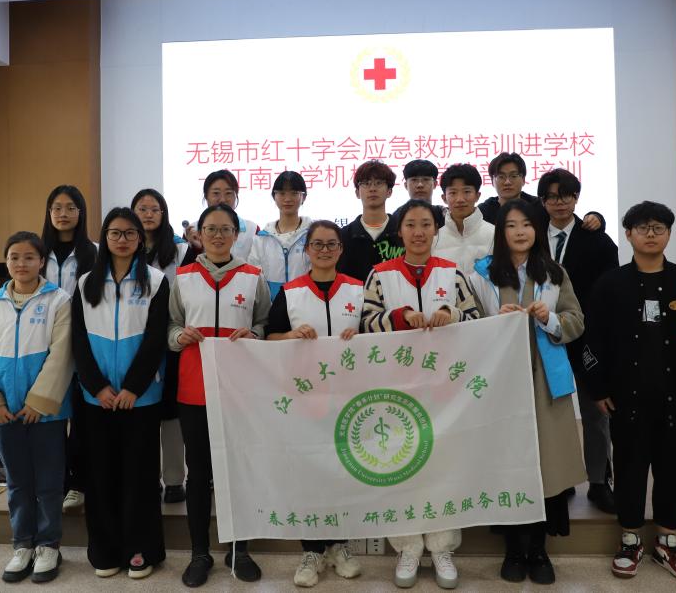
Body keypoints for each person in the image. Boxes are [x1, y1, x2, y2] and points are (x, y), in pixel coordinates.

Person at [584, 201, 676, 582]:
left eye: (658, 227)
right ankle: (630, 538)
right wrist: (598, 388)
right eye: (642, 228)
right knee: (629, 467)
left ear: (669, 234)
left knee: (675, 468)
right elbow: (593, 340)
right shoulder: (610, 284)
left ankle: (668, 540)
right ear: (628, 234)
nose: (650, 234)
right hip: (625, 398)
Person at [361, 199, 480, 590]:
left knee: (444, 468)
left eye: (425, 224)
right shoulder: (380, 274)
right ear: (399, 231)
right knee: (401, 467)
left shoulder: (452, 272)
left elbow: (476, 320)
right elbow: (364, 324)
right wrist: (399, 317)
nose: (418, 232)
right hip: (396, 389)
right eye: (410, 224)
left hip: (445, 388)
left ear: (435, 229)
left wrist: (452, 314)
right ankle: (408, 547)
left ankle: (442, 548)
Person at [467, 199, 587, 585]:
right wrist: (492, 323)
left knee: (544, 464)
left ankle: (538, 549)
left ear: (538, 229)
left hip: (543, 380)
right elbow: (466, 325)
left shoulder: (554, 273)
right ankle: (513, 550)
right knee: (507, 461)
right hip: (499, 379)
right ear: (500, 232)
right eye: (511, 225)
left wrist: (550, 318)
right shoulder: (481, 273)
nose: (520, 232)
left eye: (527, 224)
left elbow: (576, 321)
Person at [168, 203, 272, 587]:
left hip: (239, 389)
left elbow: (264, 322)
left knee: (237, 472)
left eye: (225, 229)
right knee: (198, 474)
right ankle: (200, 553)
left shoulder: (253, 277)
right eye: (210, 228)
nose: (217, 235)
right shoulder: (183, 277)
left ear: (235, 234)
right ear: (199, 233)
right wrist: (179, 336)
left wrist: (255, 334)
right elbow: (171, 326)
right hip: (194, 389)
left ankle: (239, 550)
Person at [71, 208, 169, 579]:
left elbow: (156, 339)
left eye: (130, 233)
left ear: (140, 239)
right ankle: (105, 550)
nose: (122, 239)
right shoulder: (85, 284)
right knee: (100, 474)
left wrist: (132, 388)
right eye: (115, 233)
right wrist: (97, 386)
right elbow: (78, 340)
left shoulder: (156, 281)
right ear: (105, 237)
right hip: (97, 398)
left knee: (139, 475)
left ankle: (141, 549)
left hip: (140, 398)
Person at [266, 221, 364, 588]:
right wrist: (290, 335)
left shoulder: (358, 288)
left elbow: (377, 334)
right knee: (308, 474)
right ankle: (311, 550)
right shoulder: (291, 292)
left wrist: (362, 336)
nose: (324, 250)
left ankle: (339, 546)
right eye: (317, 244)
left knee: (342, 471)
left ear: (341, 249)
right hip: (304, 398)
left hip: (348, 397)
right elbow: (269, 338)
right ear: (306, 250)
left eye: (331, 244)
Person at [0, 231, 73, 584]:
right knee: (17, 482)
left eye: (29, 257)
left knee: (48, 482)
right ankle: (23, 545)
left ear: (41, 261)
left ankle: (48, 545)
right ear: (6, 261)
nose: (21, 263)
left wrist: (38, 402)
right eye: (14, 257)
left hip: (46, 413)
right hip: (3, 412)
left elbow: (62, 355)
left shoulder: (58, 300)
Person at [537, 169, 619, 513]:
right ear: (542, 201)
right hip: (540, 334)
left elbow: (609, 291)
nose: (560, 203)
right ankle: (559, 478)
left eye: (567, 196)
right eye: (553, 197)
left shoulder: (598, 240)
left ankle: (599, 481)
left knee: (595, 410)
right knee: (548, 411)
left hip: (586, 336)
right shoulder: (530, 234)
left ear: (576, 199)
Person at [41, 185, 96, 514]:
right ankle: (55, 482)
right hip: (43, 345)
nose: (63, 214)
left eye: (70, 207)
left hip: (82, 345)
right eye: (57, 208)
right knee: (49, 417)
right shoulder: (36, 252)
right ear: (49, 213)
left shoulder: (94, 252)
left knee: (81, 417)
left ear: (81, 213)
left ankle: (78, 484)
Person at [132, 188, 189, 504]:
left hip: (170, 340)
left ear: (164, 214)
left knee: (171, 412)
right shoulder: (125, 249)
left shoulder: (181, 251)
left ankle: (175, 479)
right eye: (142, 209)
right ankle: (148, 476)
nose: (148, 214)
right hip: (136, 339)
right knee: (143, 411)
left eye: (155, 209)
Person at [478, 153, 604, 232]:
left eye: (514, 176)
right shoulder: (484, 211)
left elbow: (568, 220)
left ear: (523, 179)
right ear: (492, 181)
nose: (507, 182)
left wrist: (596, 218)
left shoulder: (540, 205)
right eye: (501, 177)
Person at [248, 171, 312, 297]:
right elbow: (254, 275)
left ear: (303, 197)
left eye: (294, 193)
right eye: (282, 193)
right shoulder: (262, 238)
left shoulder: (313, 235)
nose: (287, 199)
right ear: (274, 196)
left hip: (306, 302)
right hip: (271, 305)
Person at [338, 160, 404, 283]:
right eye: (366, 183)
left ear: (389, 191)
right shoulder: (344, 236)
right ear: (357, 192)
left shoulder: (403, 233)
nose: (372, 188)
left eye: (379, 183)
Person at [432, 163, 494, 275]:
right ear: (444, 198)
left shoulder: (495, 235)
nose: (460, 199)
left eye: (467, 192)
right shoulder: (434, 239)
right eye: (453, 193)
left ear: (477, 195)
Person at [185, 170, 260, 261]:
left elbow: (257, 265)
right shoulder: (192, 231)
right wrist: (196, 249)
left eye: (228, 193)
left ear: (236, 195)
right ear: (206, 196)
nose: (222, 200)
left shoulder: (252, 230)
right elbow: (187, 267)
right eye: (216, 193)